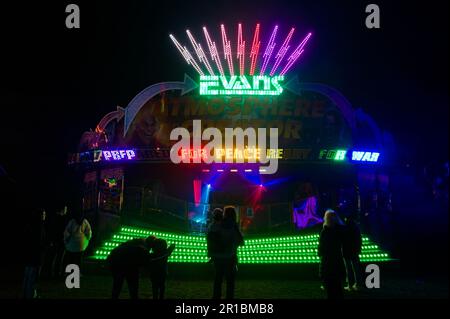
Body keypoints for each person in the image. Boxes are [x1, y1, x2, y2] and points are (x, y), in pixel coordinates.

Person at [212, 206, 244, 299]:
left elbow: (212, 238)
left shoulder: (217, 224)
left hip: (218, 257)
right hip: (230, 257)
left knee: (218, 280)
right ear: (234, 215)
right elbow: (240, 241)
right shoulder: (234, 226)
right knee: (230, 282)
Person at [318, 209, 346, 299]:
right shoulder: (340, 230)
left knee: (330, 289)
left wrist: (320, 253)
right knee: (338, 287)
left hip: (328, 262)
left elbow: (321, 246)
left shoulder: (325, 231)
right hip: (337, 260)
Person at [22, 208, 46, 299]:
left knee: (27, 276)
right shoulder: (39, 226)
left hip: (29, 255)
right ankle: (30, 295)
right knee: (32, 278)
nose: (44, 216)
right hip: (35, 256)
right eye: (43, 214)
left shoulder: (30, 225)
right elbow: (39, 242)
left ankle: (26, 294)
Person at [343, 216, 363, 291]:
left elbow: (343, 240)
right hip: (354, 250)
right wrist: (359, 248)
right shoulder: (356, 228)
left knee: (348, 268)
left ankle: (350, 285)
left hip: (347, 250)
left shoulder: (345, 228)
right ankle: (357, 284)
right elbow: (359, 239)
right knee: (356, 267)